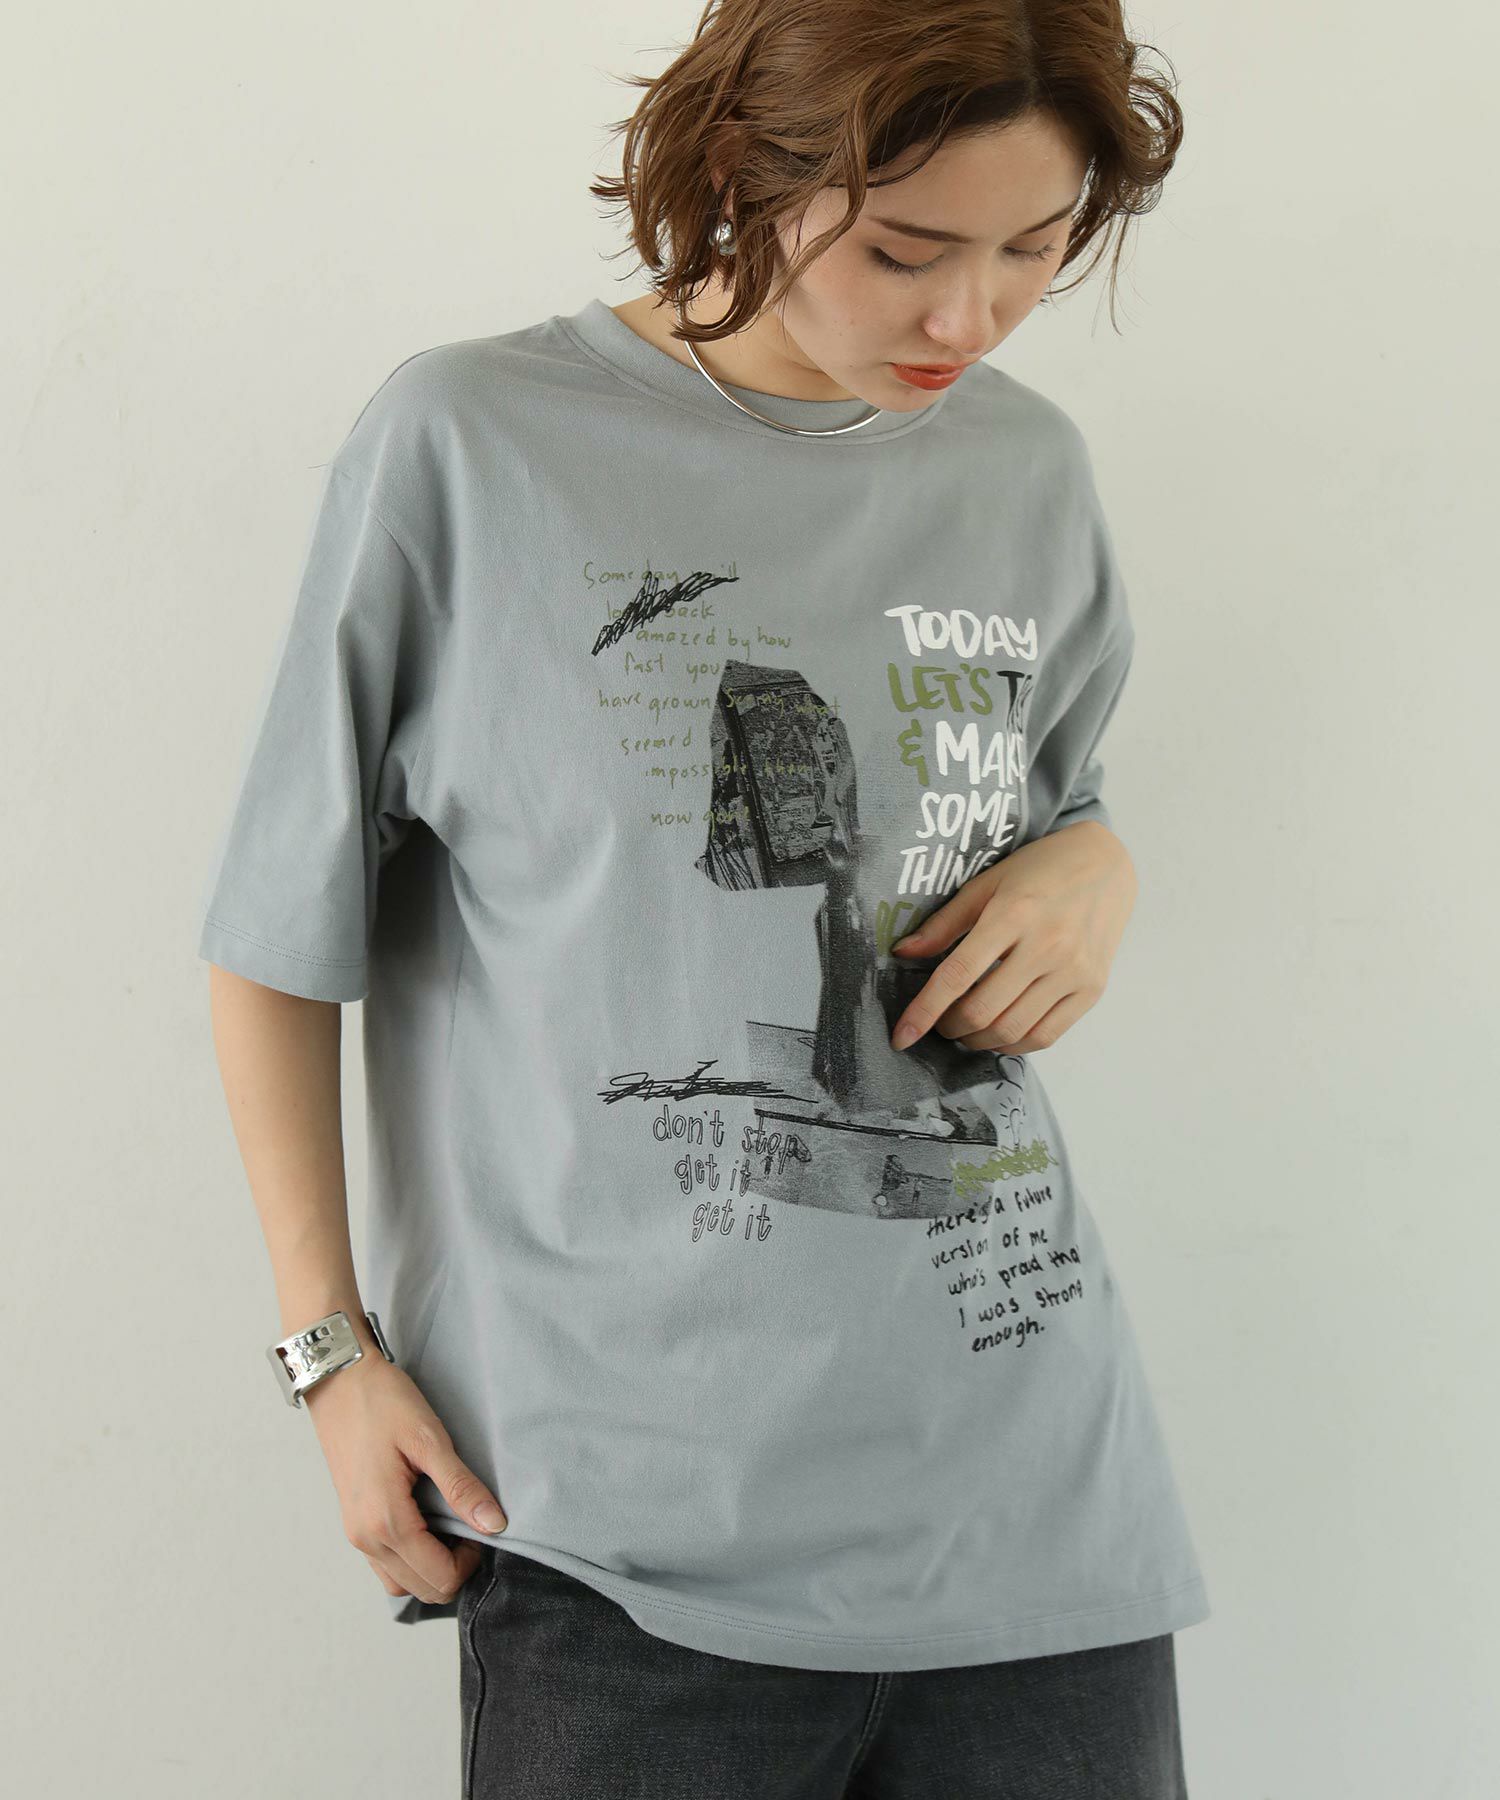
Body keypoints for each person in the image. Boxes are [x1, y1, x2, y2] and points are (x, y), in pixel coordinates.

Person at [196, 1, 1209, 1793]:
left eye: (1033, 250)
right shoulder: (476, 443)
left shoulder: (1028, 472)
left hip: (1036, 1526)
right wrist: (329, 1356)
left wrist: (1100, 863)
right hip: (619, 1549)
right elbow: (280, 937)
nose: (967, 318)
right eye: (906, 250)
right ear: (751, 160)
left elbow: (1048, 816)